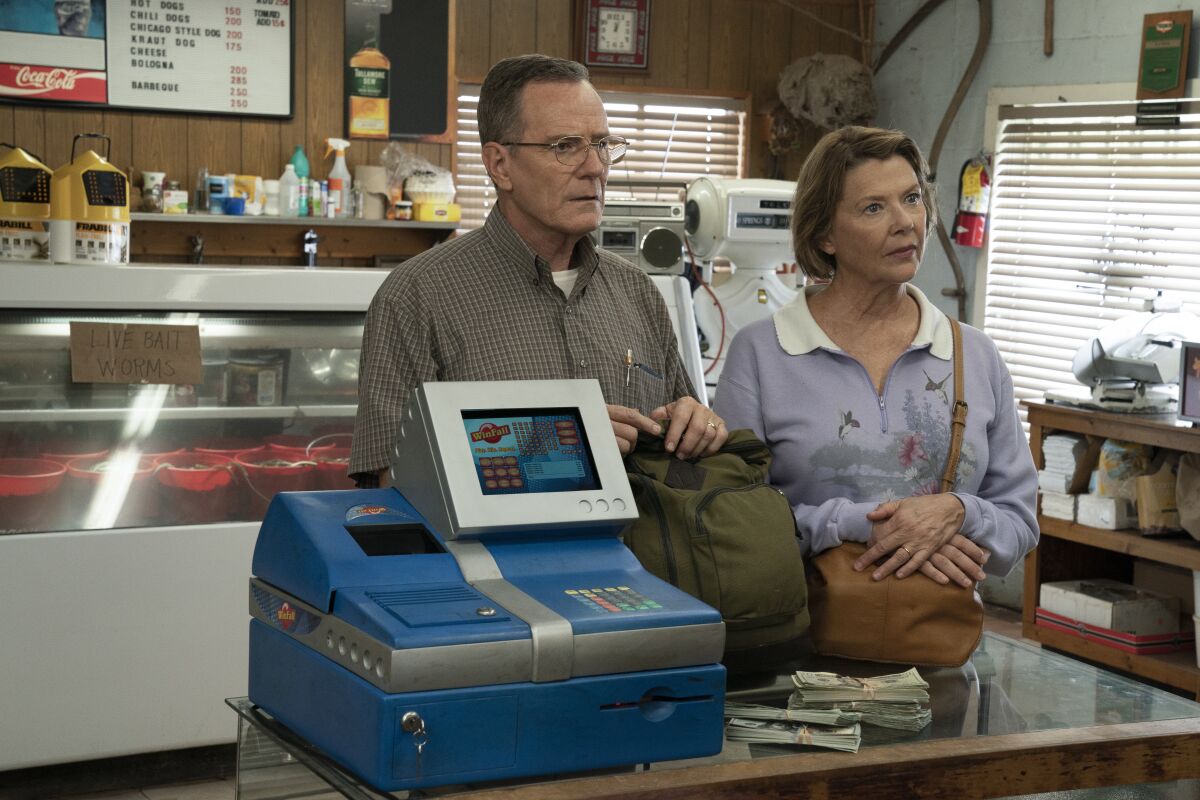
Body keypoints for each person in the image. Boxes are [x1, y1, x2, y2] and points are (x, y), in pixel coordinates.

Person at [350, 54, 727, 487]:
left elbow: (686, 430)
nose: (595, 168)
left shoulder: (638, 292)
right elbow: (390, 479)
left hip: (640, 552)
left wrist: (699, 425)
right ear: (499, 165)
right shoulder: (417, 297)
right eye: (565, 146)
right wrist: (553, 446)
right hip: (494, 555)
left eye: (602, 144)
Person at [713, 126, 1037, 586]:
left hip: (937, 646)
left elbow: (1020, 522)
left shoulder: (974, 354)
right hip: (804, 645)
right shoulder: (762, 352)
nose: (905, 222)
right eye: (873, 208)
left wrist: (959, 511)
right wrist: (859, 525)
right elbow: (731, 515)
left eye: (912, 199)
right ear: (826, 235)